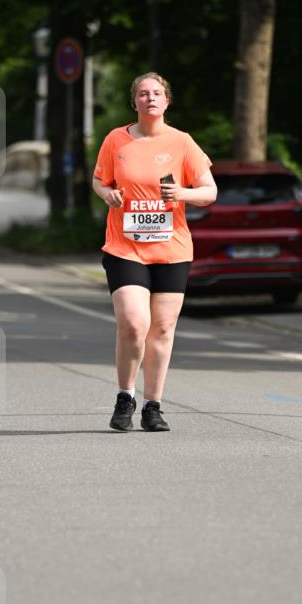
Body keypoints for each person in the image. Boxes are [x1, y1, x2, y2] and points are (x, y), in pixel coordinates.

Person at [92, 72, 217, 432]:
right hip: (125, 247)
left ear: (167, 101)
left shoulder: (181, 142)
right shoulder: (116, 140)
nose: (150, 98)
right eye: (143, 93)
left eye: (157, 93)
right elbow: (100, 179)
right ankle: (124, 395)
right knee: (134, 323)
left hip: (172, 249)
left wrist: (182, 194)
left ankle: (153, 405)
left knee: (161, 328)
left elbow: (209, 191)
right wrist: (107, 194)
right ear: (135, 102)